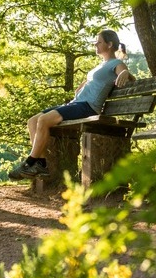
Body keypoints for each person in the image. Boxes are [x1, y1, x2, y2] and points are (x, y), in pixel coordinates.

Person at [9, 29, 135, 180]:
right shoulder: (101, 65)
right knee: (33, 121)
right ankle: (41, 164)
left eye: (99, 42)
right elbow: (94, 81)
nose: (95, 44)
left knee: (43, 121)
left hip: (88, 107)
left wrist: (124, 73)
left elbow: (124, 72)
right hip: (76, 103)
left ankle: (29, 162)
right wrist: (83, 85)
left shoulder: (116, 63)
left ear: (109, 44)